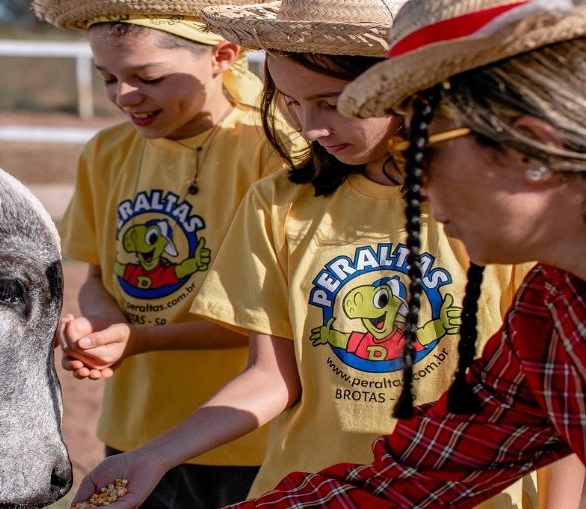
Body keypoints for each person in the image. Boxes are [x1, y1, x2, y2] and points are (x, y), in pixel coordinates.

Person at [67, 1, 580, 507]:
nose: (309, 128)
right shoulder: (281, 200)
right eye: (291, 103)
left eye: (332, 103)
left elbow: (519, 424)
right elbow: (404, 468)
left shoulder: (521, 257)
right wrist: (157, 454)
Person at [229, 0, 586, 507]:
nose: (413, 183)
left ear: (528, 148)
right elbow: (417, 476)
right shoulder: (549, 308)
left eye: (422, 151)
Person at [30, 0, 299, 506]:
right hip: (136, 430)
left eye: (148, 76)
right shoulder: (106, 152)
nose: (125, 95)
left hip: (248, 438)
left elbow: (275, 321)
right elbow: (98, 277)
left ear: (222, 55)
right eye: (108, 77)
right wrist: (103, 329)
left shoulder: (274, 150)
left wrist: (141, 339)